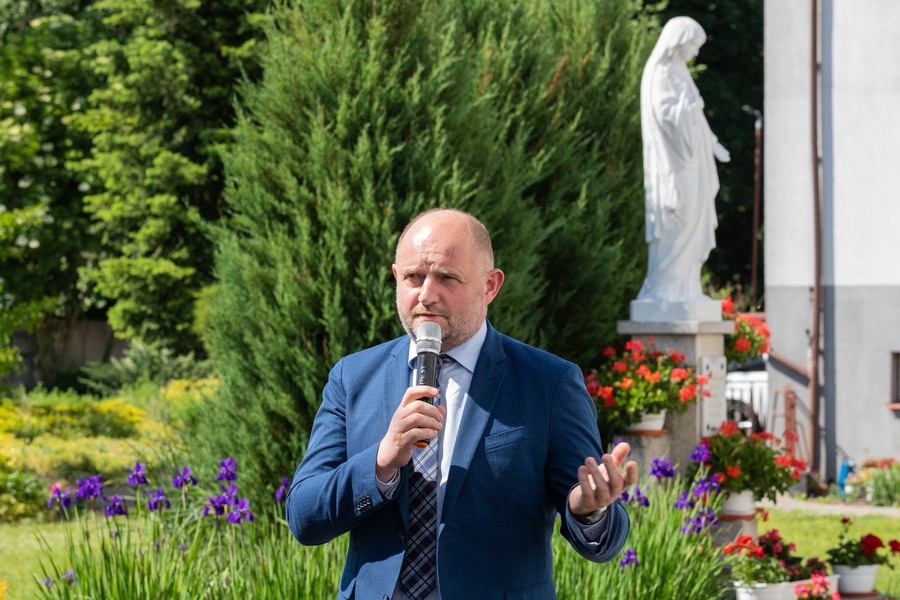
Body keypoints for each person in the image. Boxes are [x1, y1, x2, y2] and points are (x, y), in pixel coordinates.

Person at [287, 208, 638, 599]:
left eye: (446, 278)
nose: (426, 295)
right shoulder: (353, 377)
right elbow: (304, 516)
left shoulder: (549, 383)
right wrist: (381, 462)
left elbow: (601, 536)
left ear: (490, 286)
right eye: (413, 277)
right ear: (396, 279)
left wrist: (589, 511)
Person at [637, 16, 731, 304]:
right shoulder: (660, 72)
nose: (695, 53)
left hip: (693, 165)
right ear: (677, 42)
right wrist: (688, 110)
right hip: (673, 166)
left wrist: (713, 144)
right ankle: (665, 290)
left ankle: (687, 289)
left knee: (693, 222)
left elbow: (697, 118)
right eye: (692, 46)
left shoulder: (680, 72)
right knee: (677, 221)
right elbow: (666, 116)